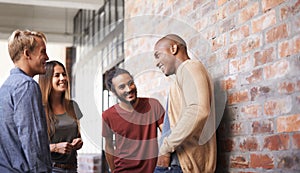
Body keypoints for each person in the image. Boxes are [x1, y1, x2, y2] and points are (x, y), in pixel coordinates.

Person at [153, 34, 217, 173]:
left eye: (158, 55)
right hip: (177, 164)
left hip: (180, 165)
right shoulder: (183, 75)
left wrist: (166, 147)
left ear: (173, 48)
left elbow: (198, 110)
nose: (156, 63)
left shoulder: (189, 67)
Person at [0, 29, 52, 172]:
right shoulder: (27, 86)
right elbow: (33, 141)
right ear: (27, 54)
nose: (47, 57)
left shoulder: (5, 88)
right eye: (42, 52)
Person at [102, 68, 165, 173]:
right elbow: (108, 146)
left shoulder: (153, 105)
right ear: (113, 91)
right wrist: (113, 170)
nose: (128, 89)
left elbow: (167, 134)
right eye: (122, 87)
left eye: (130, 83)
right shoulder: (108, 115)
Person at [39, 60, 83, 173]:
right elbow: (32, 147)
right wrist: (55, 147)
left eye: (64, 74)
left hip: (72, 168)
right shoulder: (39, 109)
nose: (63, 78)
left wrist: (78, 143)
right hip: (50, 169)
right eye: (57, 75)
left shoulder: (73, 106)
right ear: (47, 79)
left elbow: (77, 135)